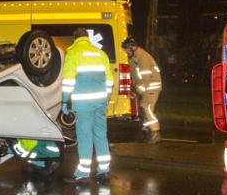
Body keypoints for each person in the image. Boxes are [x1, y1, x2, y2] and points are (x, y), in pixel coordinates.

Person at [60, 27, 114, 183]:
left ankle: (83, 174)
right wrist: (106, 97)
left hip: (84, 104)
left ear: (75, 38)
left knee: (85, 136)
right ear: (87, 38)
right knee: (100, 135)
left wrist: (64, 101)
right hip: (100, 102)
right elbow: (109, 80)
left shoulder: (74, 53)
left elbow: (69, 81)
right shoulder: (101, 53)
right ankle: (104, 171)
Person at [122, 37, 163, 142]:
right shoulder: (135, 57)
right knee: (144, 109)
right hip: (147, 88)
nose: (125, 52)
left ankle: (155, 132)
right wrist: (134, 88)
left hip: (150, 87)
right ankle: (147, 131)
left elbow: (145, 78)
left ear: (131, 47)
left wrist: (137, 90)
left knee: (146, 108)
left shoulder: (142, 57)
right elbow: (136, 76)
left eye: (126, 49)